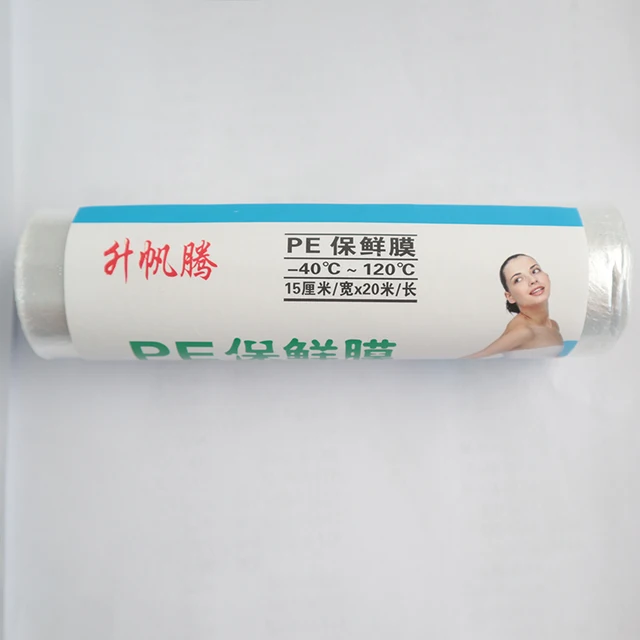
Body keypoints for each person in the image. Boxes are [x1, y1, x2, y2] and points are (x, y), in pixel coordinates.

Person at [467, 254, 564, 358]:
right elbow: (473, 359)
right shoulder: (523, 332)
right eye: (518, 279)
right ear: (510, 296)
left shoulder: (553, 325)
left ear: (547, 276)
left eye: (535, 271)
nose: (533, 280)